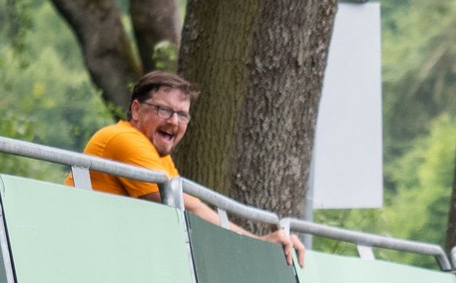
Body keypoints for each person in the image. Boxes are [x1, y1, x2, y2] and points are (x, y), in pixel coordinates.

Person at [74, 71, 304, 264]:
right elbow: (188, 210)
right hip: (87, 255)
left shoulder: (158, 155)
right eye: (163, 110)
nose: (174, 121)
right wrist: (259, 244)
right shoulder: (124, 139)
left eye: (182, 114)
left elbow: (190, 213)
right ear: (136, 110)